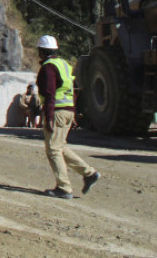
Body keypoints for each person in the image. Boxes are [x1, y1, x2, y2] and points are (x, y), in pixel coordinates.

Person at [35, 35, 100, 199]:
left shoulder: (48, 68)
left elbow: (50, 93)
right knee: (60, 146)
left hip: (56, 111)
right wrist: (73, 112)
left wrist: (48, 116)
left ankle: (64, 188)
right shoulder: (63, 64)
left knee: (53, 149)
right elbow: (73, 88)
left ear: (42, 51)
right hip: (67, 111)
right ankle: (89, 173)